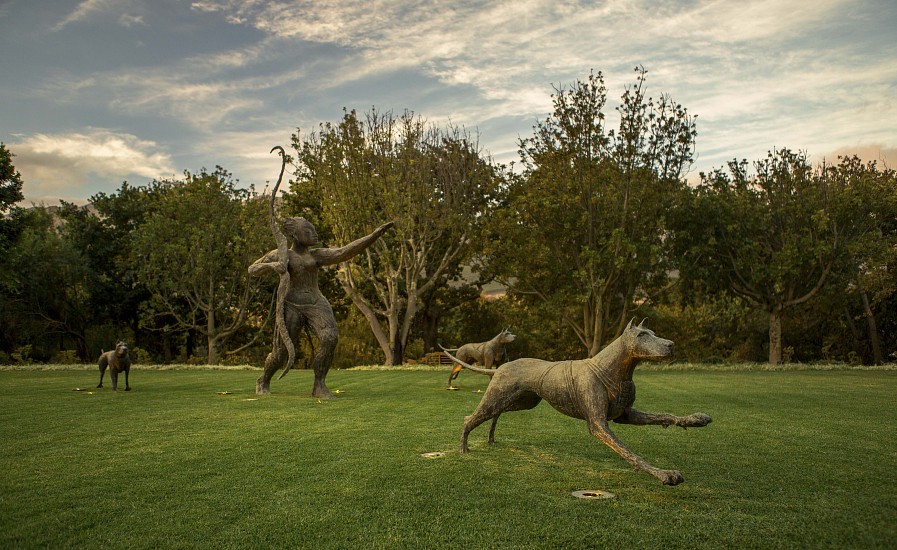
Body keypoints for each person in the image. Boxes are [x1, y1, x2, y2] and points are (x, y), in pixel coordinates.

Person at [249, 217, 393, 397]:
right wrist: (272, 266)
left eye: (314, 231)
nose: (314, 235)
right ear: (294, 234)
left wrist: (374, 235)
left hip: (316, 303)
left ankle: (319, 385)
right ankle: (264, 379)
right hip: (291, 305)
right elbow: (252, 269)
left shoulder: (316, 255)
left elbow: (344, 252)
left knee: (330, 337)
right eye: (308, 232)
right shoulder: (281, 254)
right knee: (281, 352)